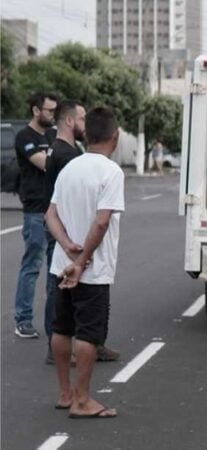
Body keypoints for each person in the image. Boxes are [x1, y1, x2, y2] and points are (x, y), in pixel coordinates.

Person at [46, 107, 124, 418]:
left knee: (62, 328)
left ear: (87, 134)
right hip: (91, 270)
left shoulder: (70, 167)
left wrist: (66, 247)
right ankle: (82, 401)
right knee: (89, 334)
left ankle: (65, 394)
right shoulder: (111, 172)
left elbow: (50, 214)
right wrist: (81, 262)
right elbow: (102, 222)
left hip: (59, 265)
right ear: (114, 137)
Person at [13, 93, 57, 338]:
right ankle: (23, 319)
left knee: (55, 267)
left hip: (54, 209)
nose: (52, 114)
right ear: (36, 110)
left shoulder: (52, 135)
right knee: (32, 265)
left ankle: (54, 322)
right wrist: (56, 158)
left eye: (54, 110)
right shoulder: (24, 137)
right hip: (35, 210)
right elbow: (43, 163)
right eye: (49, 110)